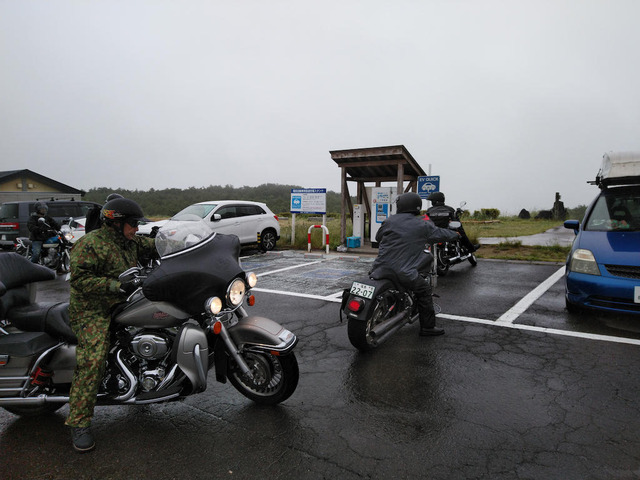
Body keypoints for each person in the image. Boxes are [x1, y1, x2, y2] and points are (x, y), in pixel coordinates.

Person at [64, 197, 156, 453]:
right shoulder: (90, 244)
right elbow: (79, 279)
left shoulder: (129, 241)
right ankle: (79, 423)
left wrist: (176, 243)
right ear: (115, 223)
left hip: (123, 304)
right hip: (93, 309)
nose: (136, 229)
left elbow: (154, 246)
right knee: (93, 360)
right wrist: (116, 286)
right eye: (132, 224)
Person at [372, 192, 459, 336]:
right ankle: (428, 328)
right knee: (424, 291)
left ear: (400, 206)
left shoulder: (389, 221)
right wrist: (456, 234)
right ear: (416, 207)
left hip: (379, 268)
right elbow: (441, 234)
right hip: (403, 271)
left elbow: (378, 237)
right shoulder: (422, 224)